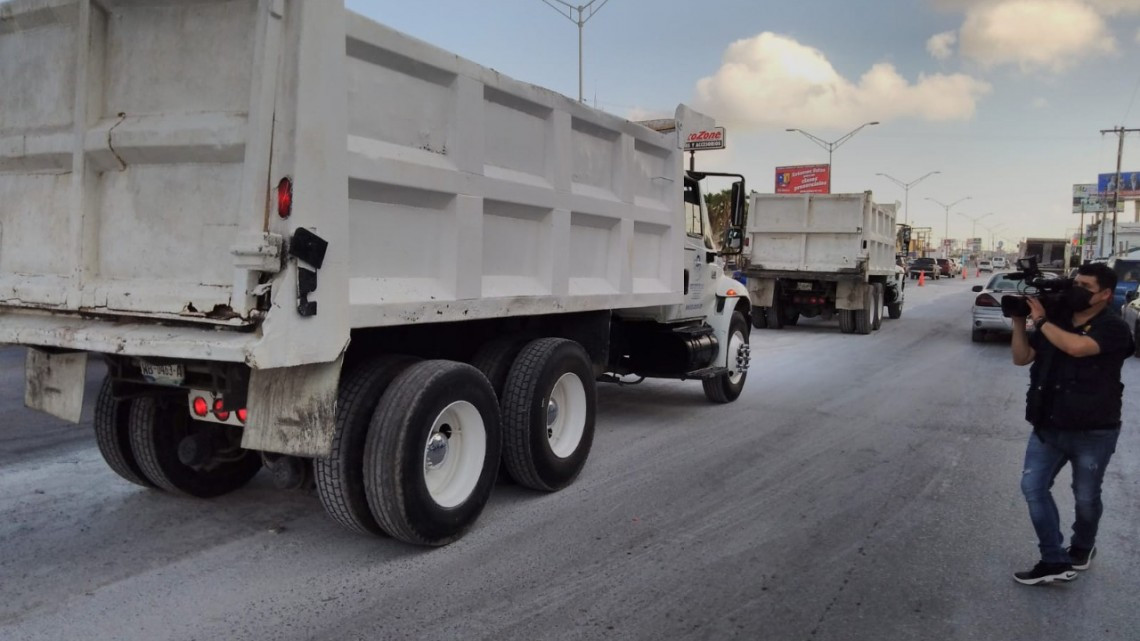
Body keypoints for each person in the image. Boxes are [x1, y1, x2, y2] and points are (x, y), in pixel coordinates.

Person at [1009, 263, 1134, 585]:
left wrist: (1041, 319)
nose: (1076, 290)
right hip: (1048, 425)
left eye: (1086, 287)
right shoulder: (1057, 321)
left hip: (1094, 429)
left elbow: (1076, 347)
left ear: (1105, 295)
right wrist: (1020, 322)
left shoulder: (1113, 327)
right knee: (1033, 488)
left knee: (1085, 496)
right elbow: (1022, 358)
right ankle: (1053, 559)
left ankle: (1082, 547)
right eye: (1075, 283)